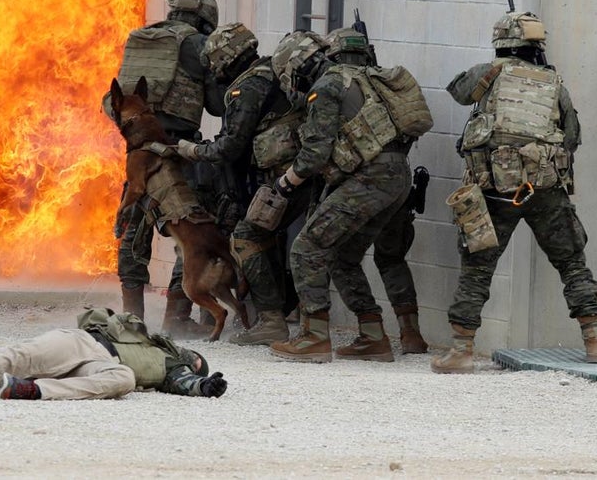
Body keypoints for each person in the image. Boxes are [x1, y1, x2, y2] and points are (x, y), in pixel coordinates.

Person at [432, 10, 597, 373]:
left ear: (501, 42)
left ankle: (462, 350)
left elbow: (457, 91)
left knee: (477, 266)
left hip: (495, 190)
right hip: (545, 188)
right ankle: (595, 340)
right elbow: (573, 136)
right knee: (572, 262)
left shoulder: (488, 73)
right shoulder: (553, 83)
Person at [265, 31, 429, 363]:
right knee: (342, 255)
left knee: (307, 248)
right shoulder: (364, 78)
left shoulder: (326, 86)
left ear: (297, 66)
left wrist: (285, 183)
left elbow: (314, 154)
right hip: (397, 176)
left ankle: (313, 336)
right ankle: (373, 338)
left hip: (370, 179)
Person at [177, 26, 315, 346]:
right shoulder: (268, 72)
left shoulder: (248, 87)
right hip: (292, 173)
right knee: (268, 237)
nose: (214, 70)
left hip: (282, 177)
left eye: (215, 62)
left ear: (228, 56)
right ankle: (279, 308)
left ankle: (271, 320)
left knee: (246, 238)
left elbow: (230, 146)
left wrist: (193, 150)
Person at [104, 0, 225, 338]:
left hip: (139, 150)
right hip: (176, 150)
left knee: (133, 229)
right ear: (203, 19)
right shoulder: (198, 45)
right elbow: (217, 106)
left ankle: (133, 321)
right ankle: (176, 316)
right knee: (188, 232)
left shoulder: (143, 40)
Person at [320, 27, 429, 354]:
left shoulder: (343, 85)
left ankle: (368, 332)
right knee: (391, 257)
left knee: (336, 252)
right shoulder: (386, 83)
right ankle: (412, 335)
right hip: (400, 178)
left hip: (365, 181)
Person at [0, 307, 228, 400]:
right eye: (196, 356)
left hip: (103, 366)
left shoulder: (175, 367)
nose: (194, 358)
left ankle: (31, 390)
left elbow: (185, 384)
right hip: (80, 342)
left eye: (197, 363)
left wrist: (204, 386)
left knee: (124, 380)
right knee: (19, 356)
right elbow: (97, 317)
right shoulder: (142, 331)